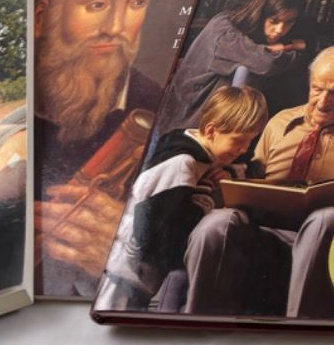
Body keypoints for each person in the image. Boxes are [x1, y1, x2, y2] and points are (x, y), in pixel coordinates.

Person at [24, 0, 201, 298]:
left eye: (137, 3)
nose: (117, 27)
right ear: (42, 17)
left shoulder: (167, 111)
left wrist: (126, 250)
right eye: (97, 5)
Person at [182, 44, 334, 319]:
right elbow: (251, 173)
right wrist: (230, 177)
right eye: (317, 88)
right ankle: (197, 326)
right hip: (262, 234)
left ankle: (300, 328)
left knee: (327, 218)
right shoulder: (280, 121)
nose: (322, 102)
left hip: (326, 244)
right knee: (217, 222)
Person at [95, 84, 268, 313]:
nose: (244, 149)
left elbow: (241, 164)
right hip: (127, 274)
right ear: (211, 131)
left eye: (250, 141)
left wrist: (228, 174)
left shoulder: (196, 151)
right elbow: (161, 236)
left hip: (133, 273)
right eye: (238, 141)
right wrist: (204, 199)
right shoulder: (182, 164)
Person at [153, 0, 307, 134]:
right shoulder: (223, 29)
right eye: (274, 21)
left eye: (289, 22)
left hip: (209, 129)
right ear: (261, 13)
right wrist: (289, 46)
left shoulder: (254, 40)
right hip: (179, 127)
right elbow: (267, 63)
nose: (280, 30)